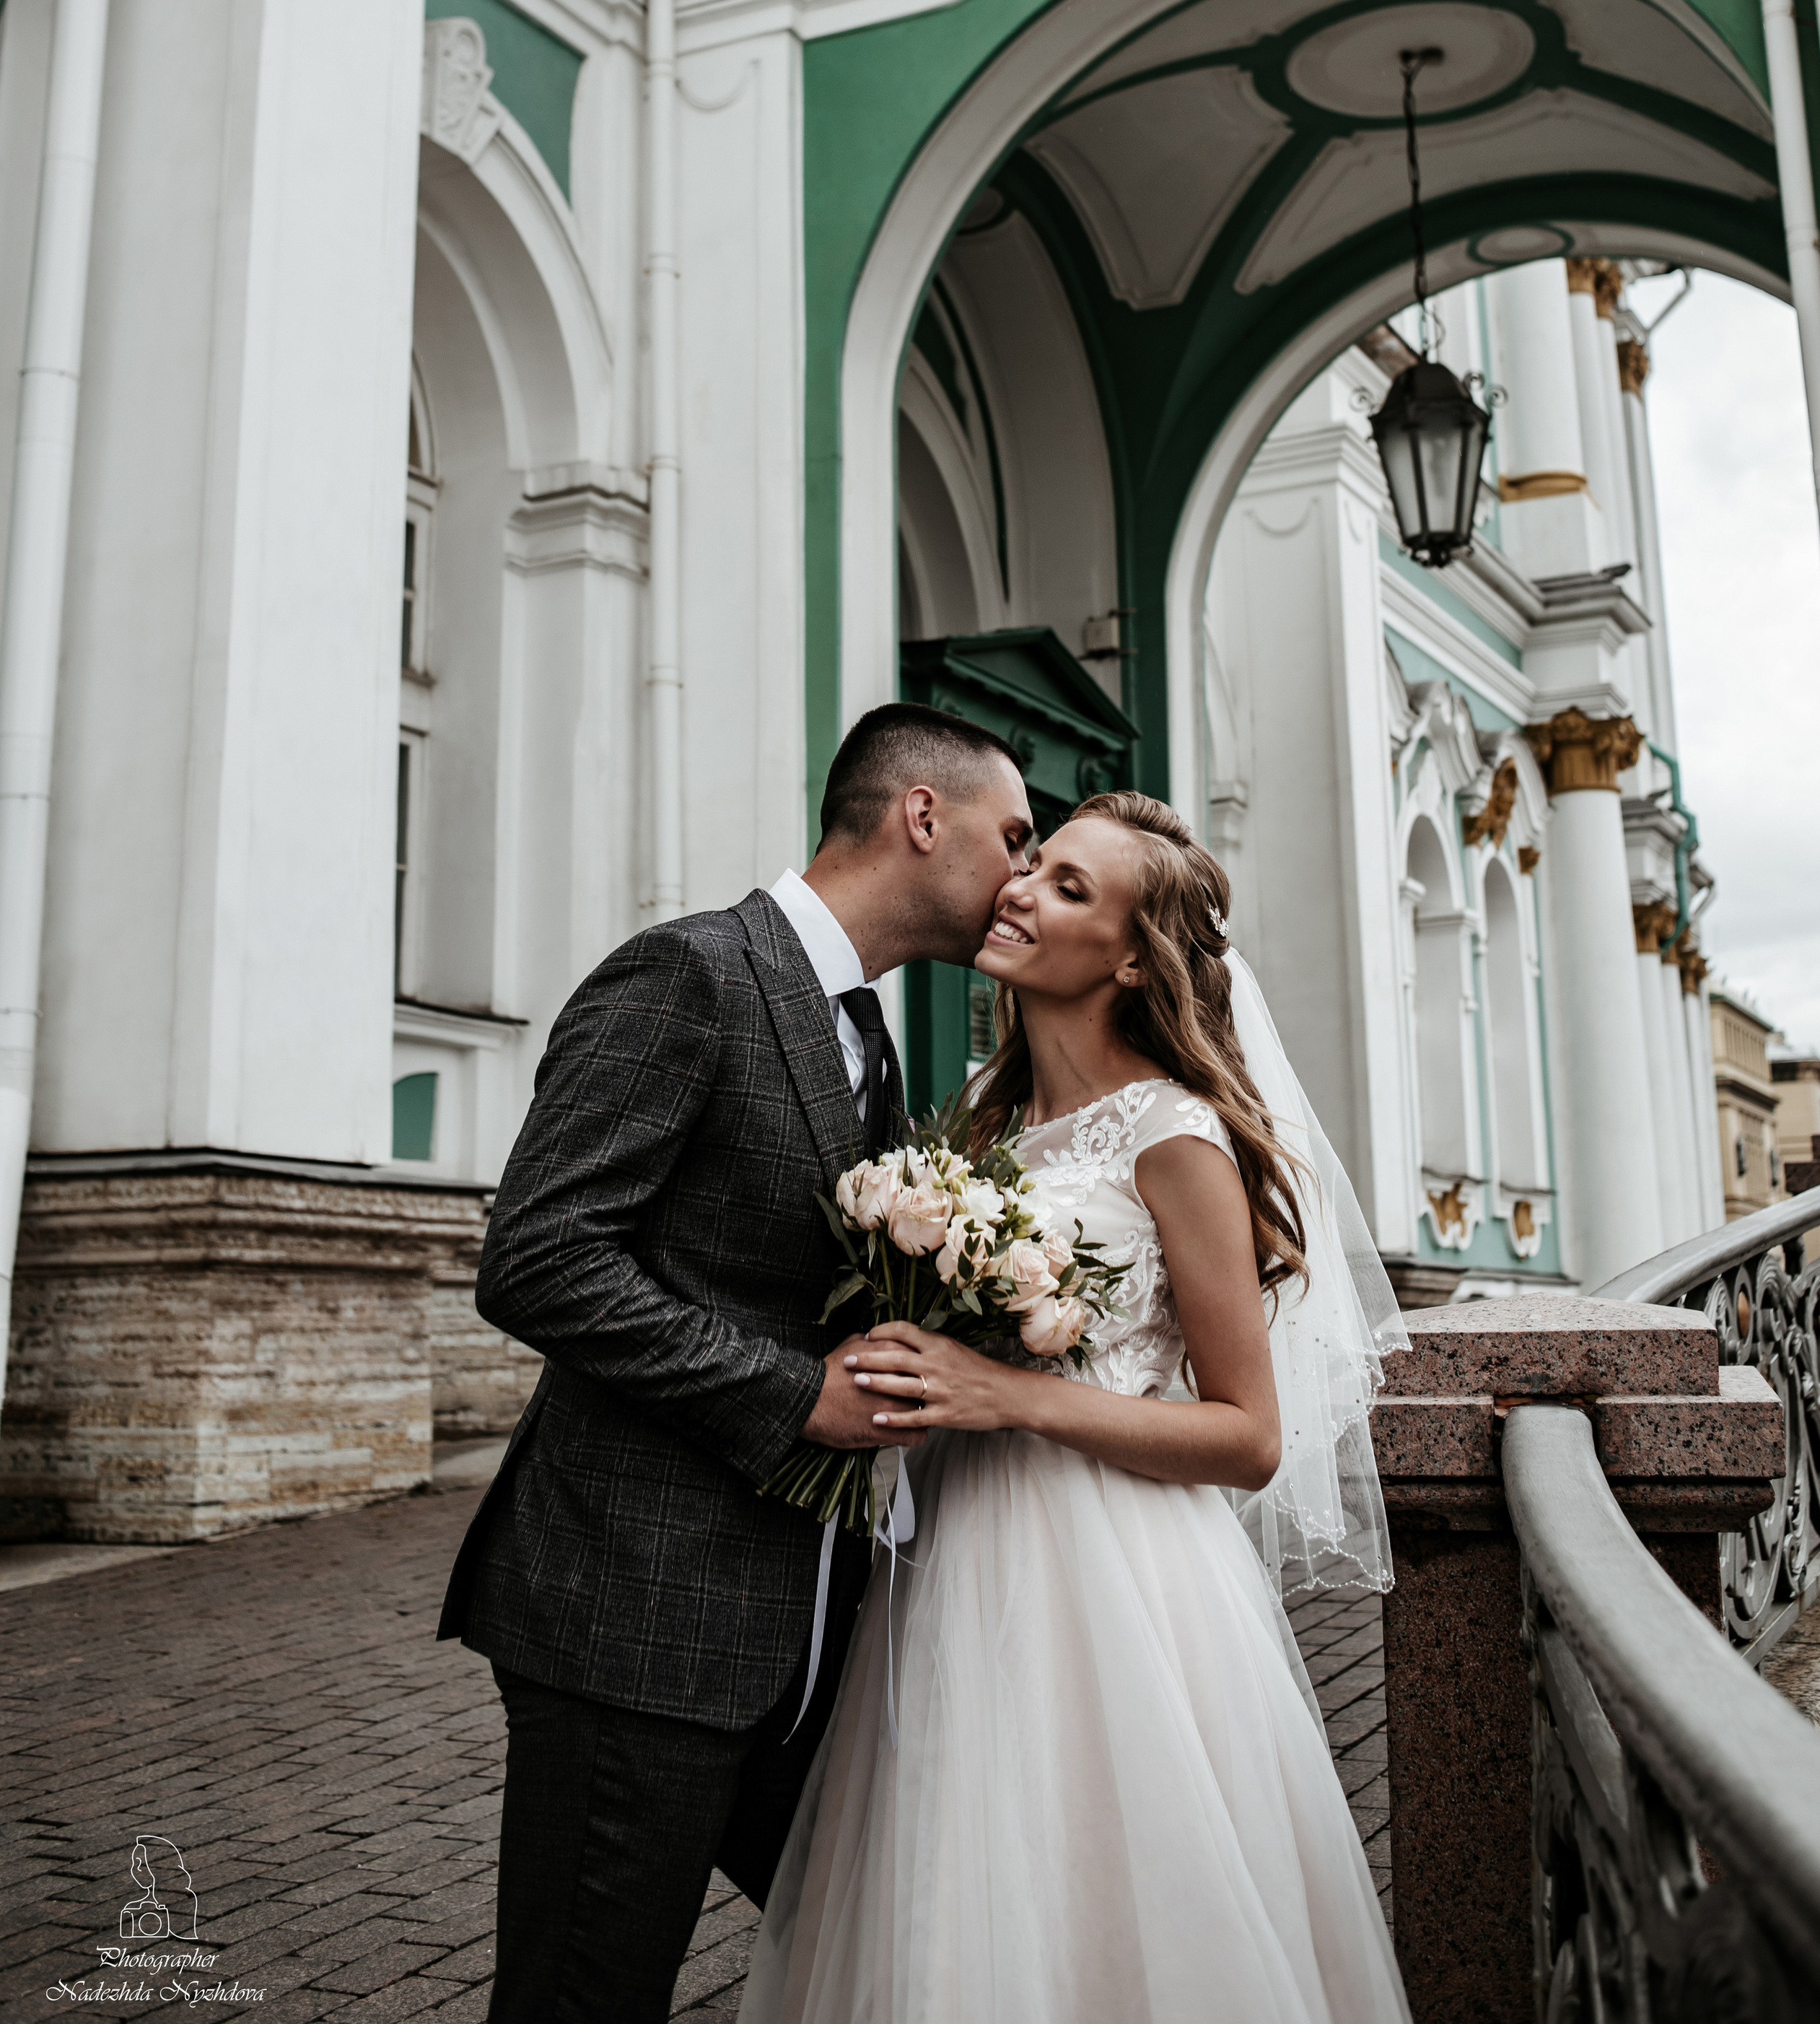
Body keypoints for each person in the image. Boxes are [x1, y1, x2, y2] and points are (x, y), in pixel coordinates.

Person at [742, 790, 1412, 2024]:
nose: (1020, 889)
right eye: (1035, 862)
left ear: (1131, 958)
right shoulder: (981, 1119)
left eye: (1068, 887)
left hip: (1116, 1578)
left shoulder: (1176, 1135)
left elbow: (1249, 1434)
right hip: (952, 1550)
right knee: (955, 1876)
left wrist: (1010, 1396)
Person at [438, 702, 1036, 2023]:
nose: (1024, 872)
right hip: (636, 1615)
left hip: (799, 1633)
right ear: (921, 815)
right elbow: (537, 1256)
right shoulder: (692, 975)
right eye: (1014, 836)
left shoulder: (867, 1031)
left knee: (885, 1967)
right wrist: (796, 1394)